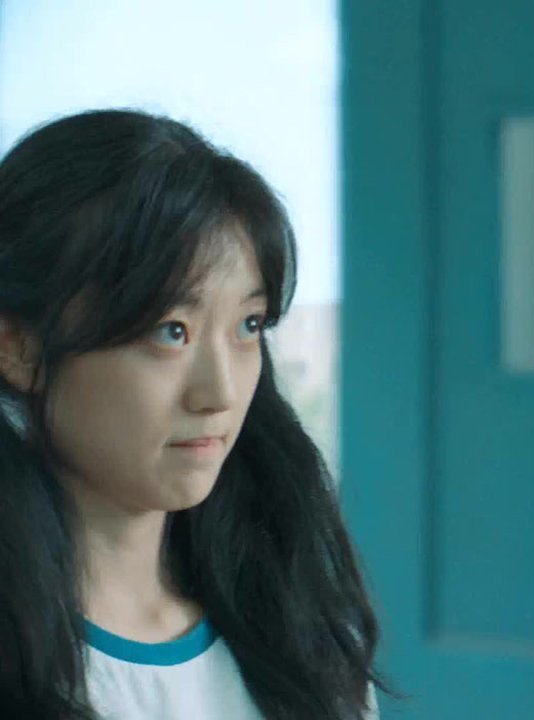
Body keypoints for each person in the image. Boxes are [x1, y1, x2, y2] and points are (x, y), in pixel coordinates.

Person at [0, 109, 386, 719]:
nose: (221, 393)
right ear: (18, 347)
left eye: (248, 326)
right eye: (170, 330)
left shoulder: (301, 629)